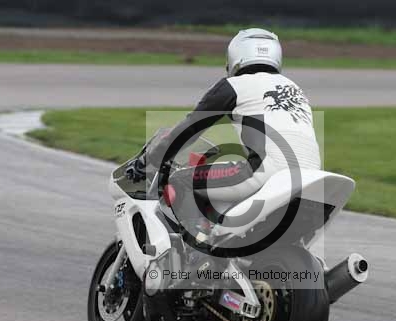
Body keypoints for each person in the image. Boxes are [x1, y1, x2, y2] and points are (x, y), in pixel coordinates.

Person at [126, 28, 321, 229]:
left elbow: (188, 130)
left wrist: (148, 160)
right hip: (311, 176)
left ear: (236, 56)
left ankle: (198, 244)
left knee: (180, 180)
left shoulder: (234, 85)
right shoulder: (295, 89)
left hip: (268, 171)